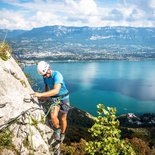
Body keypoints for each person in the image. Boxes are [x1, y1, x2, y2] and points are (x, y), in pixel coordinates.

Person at [34, 61, 70, 142]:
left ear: (49, 69)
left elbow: (56, 90)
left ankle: (63, 133)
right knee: (53, 116)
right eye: (43, 75)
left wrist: (41, 94)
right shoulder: (45, 77)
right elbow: (46, 85)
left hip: (64, 98)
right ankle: (57, 129)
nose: (45, 76)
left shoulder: (57, 75)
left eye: (46, 74)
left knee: (63, 118)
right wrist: (45, 96)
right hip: (55, 99)